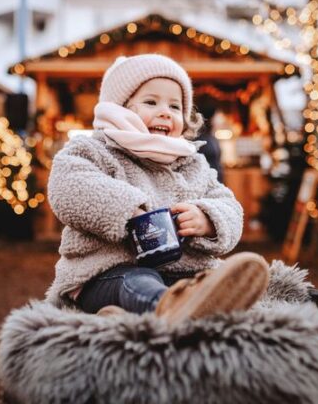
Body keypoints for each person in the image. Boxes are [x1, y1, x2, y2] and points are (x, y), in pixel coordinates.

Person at [46, 54, 270, 324]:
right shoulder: (95, 150)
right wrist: (129, 209)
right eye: (151, 102)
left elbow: (229, 205)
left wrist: (208, 219)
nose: (165, 112)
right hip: (106, 272)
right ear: (119, 109)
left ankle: (197, 304)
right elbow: (70, 185)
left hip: (181, 272)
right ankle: (172, 309)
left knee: (209, 278)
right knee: (140, 281)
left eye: (175, 107)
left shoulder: (191, 162)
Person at [197, 102, 224, 183]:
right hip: (206, 182)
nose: (220, 119)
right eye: (217, 116)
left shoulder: (211, 137)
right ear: (211, 118)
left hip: (217, 181)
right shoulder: (200, 139)